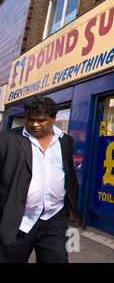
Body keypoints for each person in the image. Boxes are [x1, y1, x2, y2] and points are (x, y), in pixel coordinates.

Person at [0, 96, 81, 263]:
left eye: (41, 120)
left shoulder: (65, 141)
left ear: (53, 119)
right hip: (18, 221)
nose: (34, 124)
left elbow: (68, 174)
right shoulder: (7, 139)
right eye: (30, 119)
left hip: (54, 217)